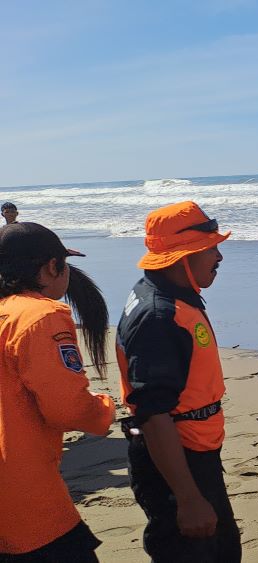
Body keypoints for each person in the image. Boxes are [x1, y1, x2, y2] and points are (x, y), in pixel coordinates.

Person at [116, 201, 241, 562]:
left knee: (223, 549)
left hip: (193, 452)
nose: (218, 257)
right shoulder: (159, 316)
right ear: (181, 256)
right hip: (176, 461)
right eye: (209, 249)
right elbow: (153, 414)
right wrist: (187, 498)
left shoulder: (171, 295)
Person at [0, 223, 115, 562]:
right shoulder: (41, 316)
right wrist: (104, 411)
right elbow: (67, 409)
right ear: (53, 267)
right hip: (26, 495)